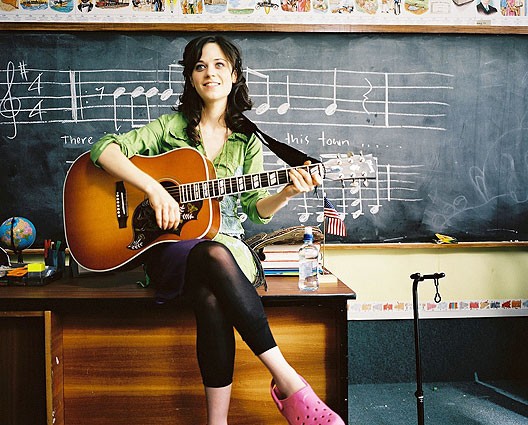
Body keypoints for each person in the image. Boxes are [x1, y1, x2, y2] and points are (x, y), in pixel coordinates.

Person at [90, 35, 345, 425]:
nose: (210, 73)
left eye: (219, 64)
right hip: (172, 250)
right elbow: (103, 149)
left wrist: (287, 193)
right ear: (191, 78)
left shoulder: (247, 139)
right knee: (209, 254)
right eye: (200, 66)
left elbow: (255, 209)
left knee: (211, 290)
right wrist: (154, 189)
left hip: (228, 248)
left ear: (235, 75)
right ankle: (289, 382)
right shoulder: (169, 128)